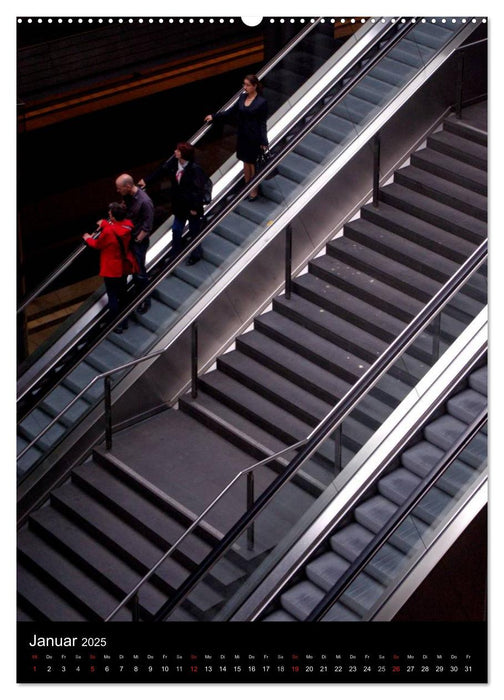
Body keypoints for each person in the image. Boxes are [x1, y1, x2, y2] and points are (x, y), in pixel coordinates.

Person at [139, 142, 208, 265]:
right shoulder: (174, 164)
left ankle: (196, 253)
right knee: (176, 230)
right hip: (179, 205)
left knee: (194, 231)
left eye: (178, 151)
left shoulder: (194, 170)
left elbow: (199, 190)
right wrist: (147, 181)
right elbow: (161, 170)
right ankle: (176, 254)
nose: (175, 152)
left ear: (183, 155)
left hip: (192, 207)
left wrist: (195, 207)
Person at [204, 74, 268, 201]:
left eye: (248, 85)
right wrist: (214, 116)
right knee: (245, 162)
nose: (245, 87)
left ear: (254, 86)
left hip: (253, 137)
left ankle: (253, 189)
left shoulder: (261, 102)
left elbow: (262, 123)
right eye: (244, 84)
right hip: (242, 135)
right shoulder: (242, 97)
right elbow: (230, 112)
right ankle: (247, 187)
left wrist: (264, 140)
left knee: (252, 164)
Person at [83, 202, 138, 334]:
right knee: (123, 293)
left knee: (112, 296)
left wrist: (88, 238)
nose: (108, 215)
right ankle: (125, 320)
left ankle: (117, 324)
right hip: (123, 266)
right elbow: (116, 230)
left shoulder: (108, 231)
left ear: (113, 217)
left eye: (110, 214)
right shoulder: (128, 225)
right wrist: (105, 224)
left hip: (111, 269)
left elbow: (97, 244)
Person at [115, 173, 154, 313]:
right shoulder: (128, 197)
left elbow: (147, 226)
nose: (118, 191)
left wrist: (137, 240)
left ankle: (145, 299)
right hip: (128, 238)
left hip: (138, 242)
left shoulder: (144, 202)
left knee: (139, 271)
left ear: (128, 186)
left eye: (119, 188)